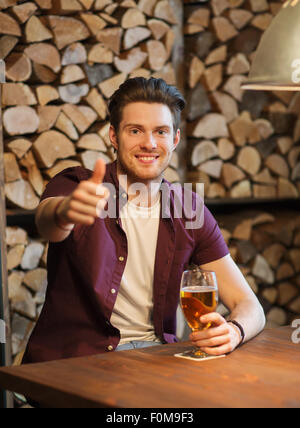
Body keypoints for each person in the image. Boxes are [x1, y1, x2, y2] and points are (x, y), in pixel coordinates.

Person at [22, 77, 265, 365]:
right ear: (114, 136)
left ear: (174, 139)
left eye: (160, 132)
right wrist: (66, 211)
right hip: (78, 361)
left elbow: (250, 306)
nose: (149, 143)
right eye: (135, 130)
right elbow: (48, 221)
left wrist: (234, 332)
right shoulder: (77, 185)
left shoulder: (188, 209)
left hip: (158, 356)